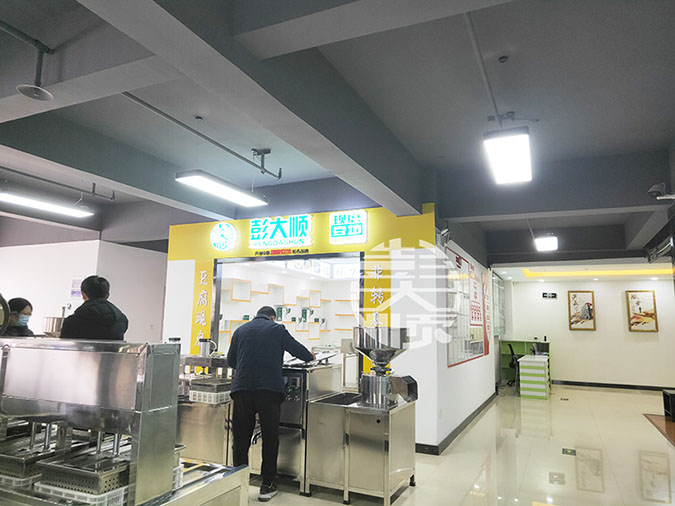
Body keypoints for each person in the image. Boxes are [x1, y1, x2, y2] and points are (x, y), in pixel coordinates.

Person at [227, 306, 315, 502]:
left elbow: (231, 360)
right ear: (272, 317)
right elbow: (298, 350)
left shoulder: (240, 330)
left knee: (240, 439)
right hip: (268, 391)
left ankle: (239, 484)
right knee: (269, 437)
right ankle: (267, 485)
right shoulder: (277, 329)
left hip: (242, 390)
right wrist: (311, 356)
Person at [60, 275, 128, 340]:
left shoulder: (73, 321)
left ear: (83, 295)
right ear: (107, 295)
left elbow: (65, 346)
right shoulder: (122, 320)